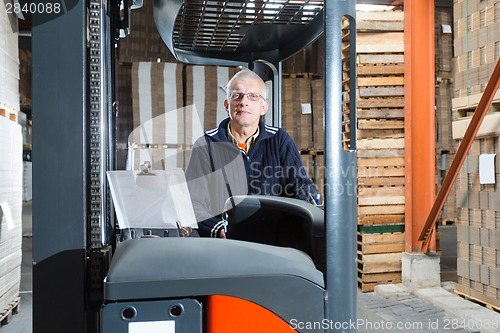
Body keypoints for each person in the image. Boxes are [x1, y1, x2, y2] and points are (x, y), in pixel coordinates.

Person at [185, 70, 317, 238]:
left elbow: (301, 188)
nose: (244, 102)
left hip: (273, 239)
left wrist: (290, 227)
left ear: (264, 107)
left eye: (253, 96)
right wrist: (219, 229)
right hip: (223, 242)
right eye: (237, 96)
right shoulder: (206, 144)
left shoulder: (280, 140)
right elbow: (192, 201)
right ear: (227, 105)